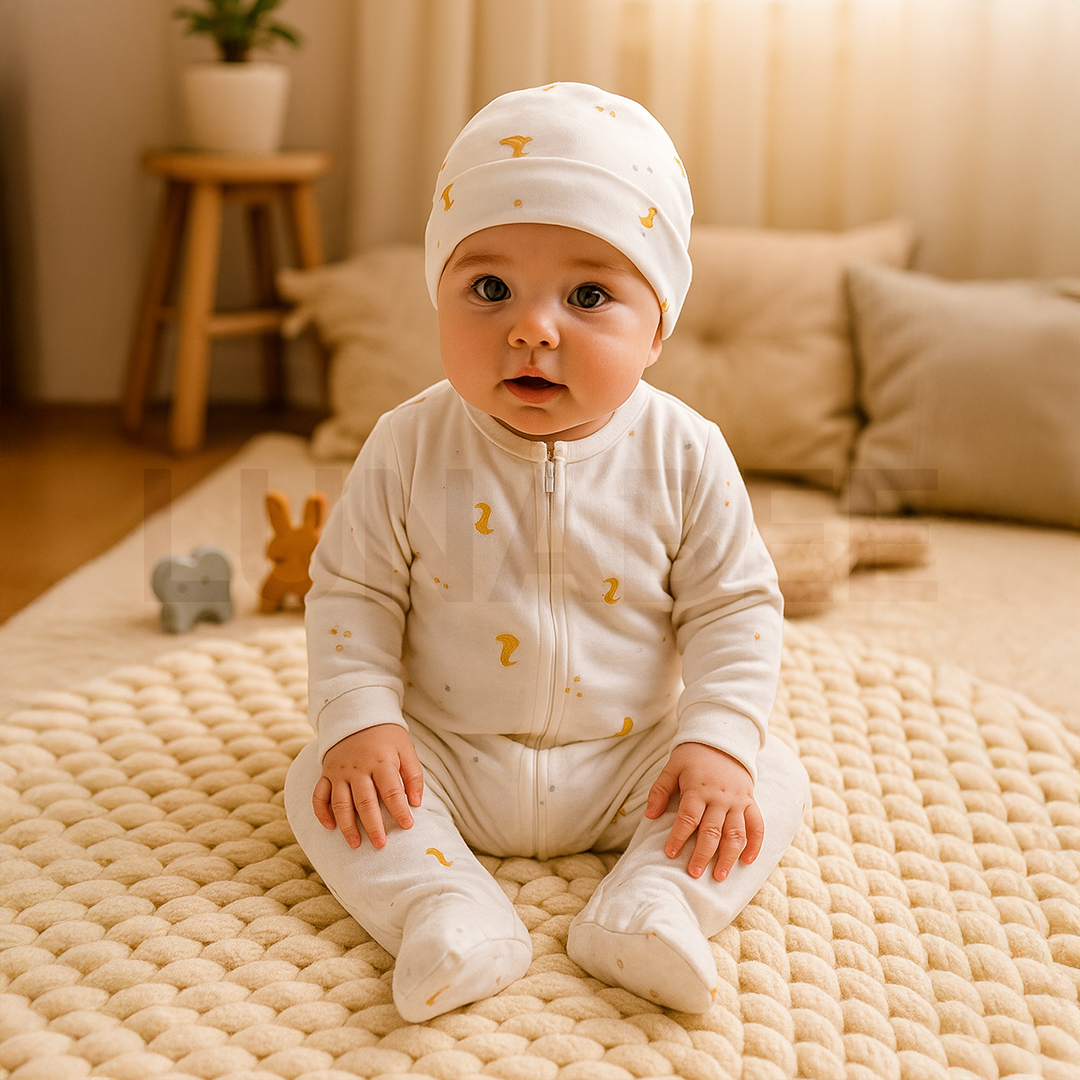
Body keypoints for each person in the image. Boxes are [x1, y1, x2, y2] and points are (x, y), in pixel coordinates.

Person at [284, 82, 809, 1022]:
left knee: (766, 770)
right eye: (489, 289)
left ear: (657, 327)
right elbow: (353, 592)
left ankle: (655, 904)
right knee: (321, 777)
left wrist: (714, 743)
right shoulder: (408, 444)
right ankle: (443, 907)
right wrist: (363, 721)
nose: (532, 327)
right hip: (446, 756)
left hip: (628, 765)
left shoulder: (686, 452)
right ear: (439, 296)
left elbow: (735, 607)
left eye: (590, 294)